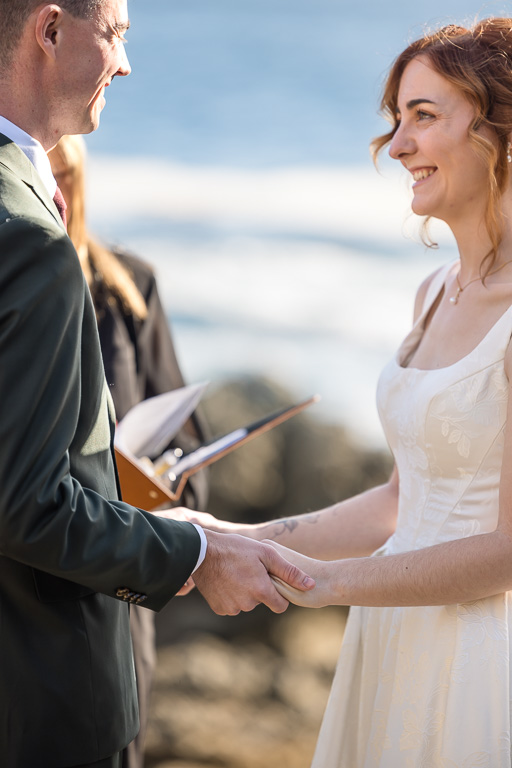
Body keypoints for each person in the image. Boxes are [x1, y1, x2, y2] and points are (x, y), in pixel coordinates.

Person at [181, 17, 512, 766]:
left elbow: (507, 551)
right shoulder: (434, 292)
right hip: (392, 635)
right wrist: (239, 540)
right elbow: (402, 499)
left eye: (424, 117)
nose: (397, 146)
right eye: (397, 121)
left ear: (502, 130)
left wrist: (322, 584)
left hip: (478, 660)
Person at [0, 2, 315, 766]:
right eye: (117, 34)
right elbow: (27, 505)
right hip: (35, 702)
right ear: (49, 31)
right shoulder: (30, 238)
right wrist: (194, 555)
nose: (127, 64)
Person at [48, 134, 210, 768]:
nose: (53, 192)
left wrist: (158, 485)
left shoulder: (129, 286)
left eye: (63, 173)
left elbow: (188, 453)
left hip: (117, 592)